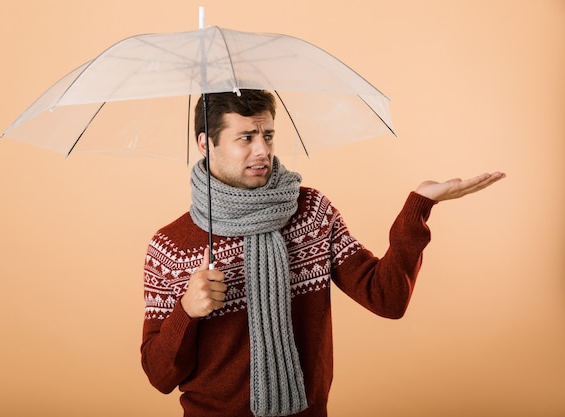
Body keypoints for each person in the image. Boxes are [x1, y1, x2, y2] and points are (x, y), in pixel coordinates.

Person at [140, 90, 505, 417]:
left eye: (267, 135)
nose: (263, 150)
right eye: (245, 138)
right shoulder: (171, 246)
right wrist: (186, 312)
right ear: (206, 144)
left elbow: (386, 298)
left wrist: (418, 207)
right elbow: (159, 375)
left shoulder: (311, 212)